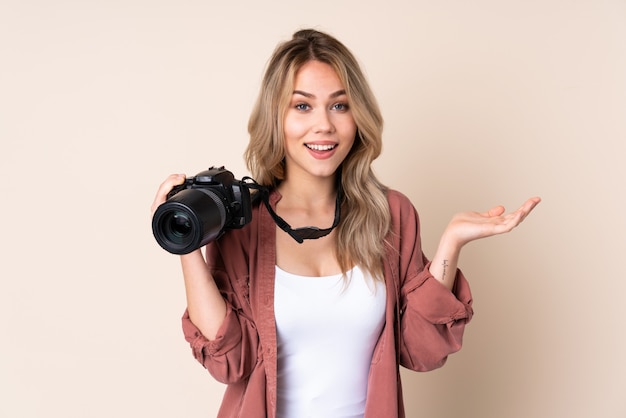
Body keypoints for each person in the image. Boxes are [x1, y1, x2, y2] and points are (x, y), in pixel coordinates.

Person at [151, 29, 541, 418]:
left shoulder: (390, 214)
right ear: (276, 117)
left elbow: (422, 351)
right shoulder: (242, 224)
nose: (324, 125)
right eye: (302, 106)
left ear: (358, 116)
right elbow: (229, 362)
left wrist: (451, 244)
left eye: (339, 106)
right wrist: (184, 241)